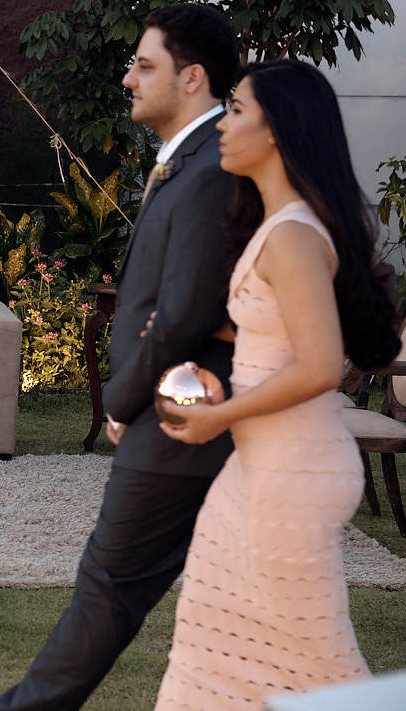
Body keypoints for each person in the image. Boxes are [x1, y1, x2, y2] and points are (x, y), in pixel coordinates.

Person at [0, 3, 241, 710]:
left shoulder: (213, 167)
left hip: (181, 416)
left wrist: (125, 402)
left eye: (144, 65)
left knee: (107, 589)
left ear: (192, 78)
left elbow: (184, 313)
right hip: (174, 409)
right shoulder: (186, 161)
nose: (128, 78)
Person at [152, 59, 398, 708]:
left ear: (277, 130)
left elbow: (320, 366)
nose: (221, 123)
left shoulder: (292, 235)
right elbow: (276, 337)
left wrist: (218, 415)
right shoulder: (280, 227)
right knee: (214, 651)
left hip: (294, 472)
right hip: (265, 468)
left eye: (236, 110)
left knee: (313, 667)